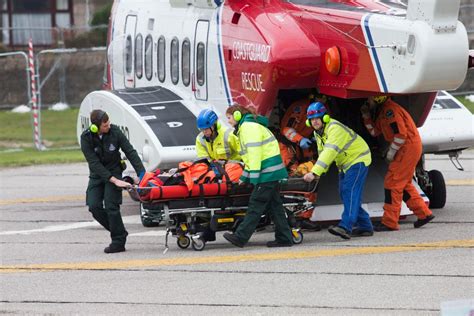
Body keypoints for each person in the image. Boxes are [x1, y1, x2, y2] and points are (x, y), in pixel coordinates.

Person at [222, 104, 294, 248]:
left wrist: (253, 177)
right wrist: (244, 177)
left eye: (229, 118)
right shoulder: (247, 127)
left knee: (256, 204)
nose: (228, 121)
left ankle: (240, 237)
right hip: (270, 172)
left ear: (237, 115)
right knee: (275, 206)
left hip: (267, 173)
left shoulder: (248, 128)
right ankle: (285, 237)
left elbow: (254, 153)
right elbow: (249, 158)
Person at [361, 96, 435, 231]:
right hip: (407, 147)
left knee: (392, 183)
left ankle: (389, 221)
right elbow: (375, 132)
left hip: (407, 147)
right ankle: (423, 214)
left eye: (370, 100)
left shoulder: (390, 111)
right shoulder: (383, 112)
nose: (368, 102)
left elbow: (401, 135)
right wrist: (366, 117)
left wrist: (391, 153)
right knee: (403, 183)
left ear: (378, 99)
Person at [303, 102, 373, 240]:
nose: (315, 122)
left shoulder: (334, 128)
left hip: (358, 159)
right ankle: (365, 226)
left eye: (317, 118)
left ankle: (345, 226)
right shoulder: (319, 133)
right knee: (345, 193)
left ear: (325, 118)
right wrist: (320, 172)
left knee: (349, 191)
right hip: (346, 164)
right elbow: (322, 152)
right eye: (312, 119)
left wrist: (315, 172)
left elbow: (330, 151)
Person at [80, 109, 145, 253]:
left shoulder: (115, 132)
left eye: (108, 123)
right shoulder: (86, 138)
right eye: (105, 125)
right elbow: (94, 163)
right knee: (94, 206)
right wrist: (114, 180)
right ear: (95, 127)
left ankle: (118, 241)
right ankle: (120, 231)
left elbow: (130, 151)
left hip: (114, 169)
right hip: (97, 174)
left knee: (111, 206)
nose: (108, 126)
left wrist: (142, 174)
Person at [194, 108, 241, 242]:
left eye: (206, 129)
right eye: (202, 130)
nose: (204, 132)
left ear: (213, 125)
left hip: (233, 171)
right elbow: (203, 160)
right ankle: (208, 231)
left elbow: (242, 152)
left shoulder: (228, 135)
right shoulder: (200, 139)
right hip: (216, 173)